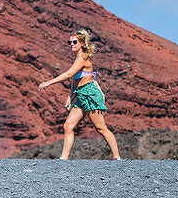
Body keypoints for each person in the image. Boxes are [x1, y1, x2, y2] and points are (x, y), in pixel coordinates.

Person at [38, 29, 121, 160]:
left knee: (100, 128)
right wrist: (70, 96)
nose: (71, 44)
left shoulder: (83, 57)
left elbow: (69, 74)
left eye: (74, 42)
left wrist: (49, 82)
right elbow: (75, 79)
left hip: (90, 95)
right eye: (69, 42)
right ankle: (63, 158)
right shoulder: (77, 57)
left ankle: (117, 157)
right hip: (80, 95)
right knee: (68, 126)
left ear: (82, 43)